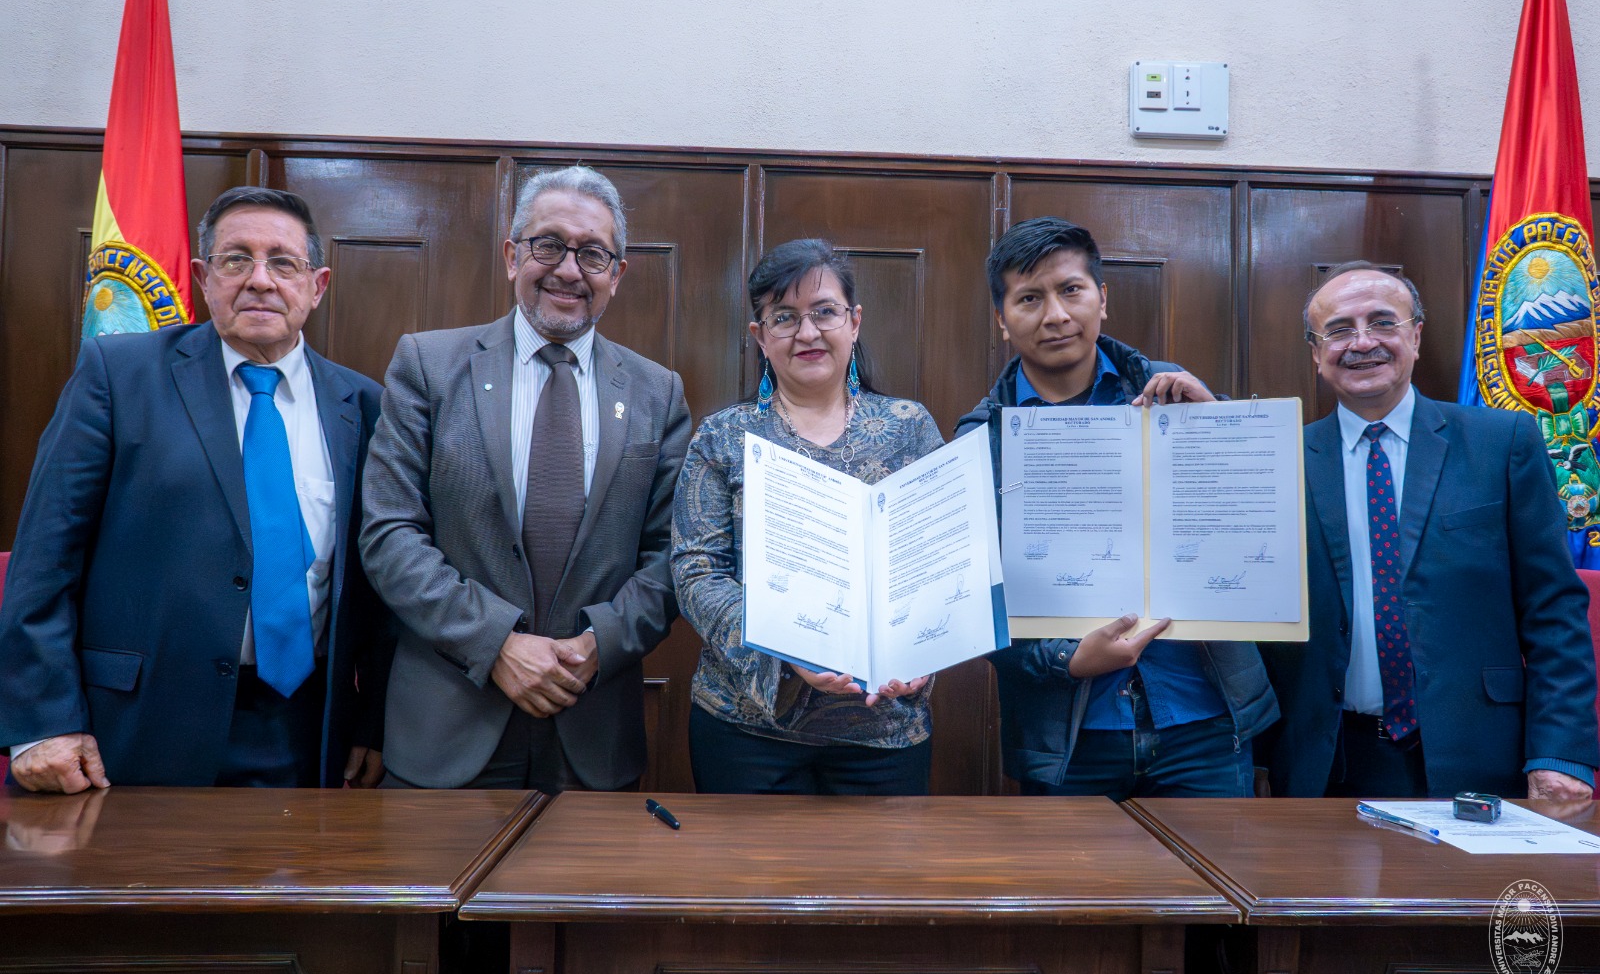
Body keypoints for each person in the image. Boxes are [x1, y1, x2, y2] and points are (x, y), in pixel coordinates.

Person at [0, 186, 391, 791]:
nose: (260, 280)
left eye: (282, 262)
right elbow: (44, 559)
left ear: (317, 286)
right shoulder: (119, 375)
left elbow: (374, 586)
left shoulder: (362, 405)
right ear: (204, 278)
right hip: (132, 732)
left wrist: (370, 722)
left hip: (306, 735)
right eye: (237, 260)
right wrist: (43, 720)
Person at [360, 166, 691, 791]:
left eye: (593, 254)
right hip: (446, 728)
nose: (569, 269)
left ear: (617, 275)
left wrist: (599, 645)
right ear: (514, 256)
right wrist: (497, 643)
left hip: (591, 727)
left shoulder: (658, 392)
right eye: (549, 245)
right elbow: (390, 534)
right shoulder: (428, 367)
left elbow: (674, 554)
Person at [955, 217, 1277, 798]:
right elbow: (970, 602)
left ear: (1102, 299)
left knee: (1212, 892)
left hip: (1202, 724)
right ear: (1003, 321)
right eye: (1029, 298)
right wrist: (1067, 660)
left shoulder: (1177, 397)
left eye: (1071, 290)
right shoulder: (982, 440)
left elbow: (1256, 535)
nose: (1055, 315)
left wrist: (1218, 430)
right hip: (1071, 742)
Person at [1264, 261, 1598, 800]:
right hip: (1326, 762)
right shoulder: (1279, 459)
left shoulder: (1501, 442)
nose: (1362, 342)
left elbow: (1553, 610)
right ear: (1315, 352)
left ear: (1416, 337)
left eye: (1382, 322)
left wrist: (1560, 754)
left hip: (1481, 754)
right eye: (1340, 329)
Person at [672, 239, 944, 794]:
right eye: (784, 318)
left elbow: (938, 563)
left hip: (885, 731)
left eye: (824, 312)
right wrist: (785, 646)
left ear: (855, 321)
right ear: (760, 337)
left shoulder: (910, 427)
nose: (808, 332)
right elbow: (695, 571)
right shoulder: (724, 436)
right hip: (747, 731)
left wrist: (927, 651)